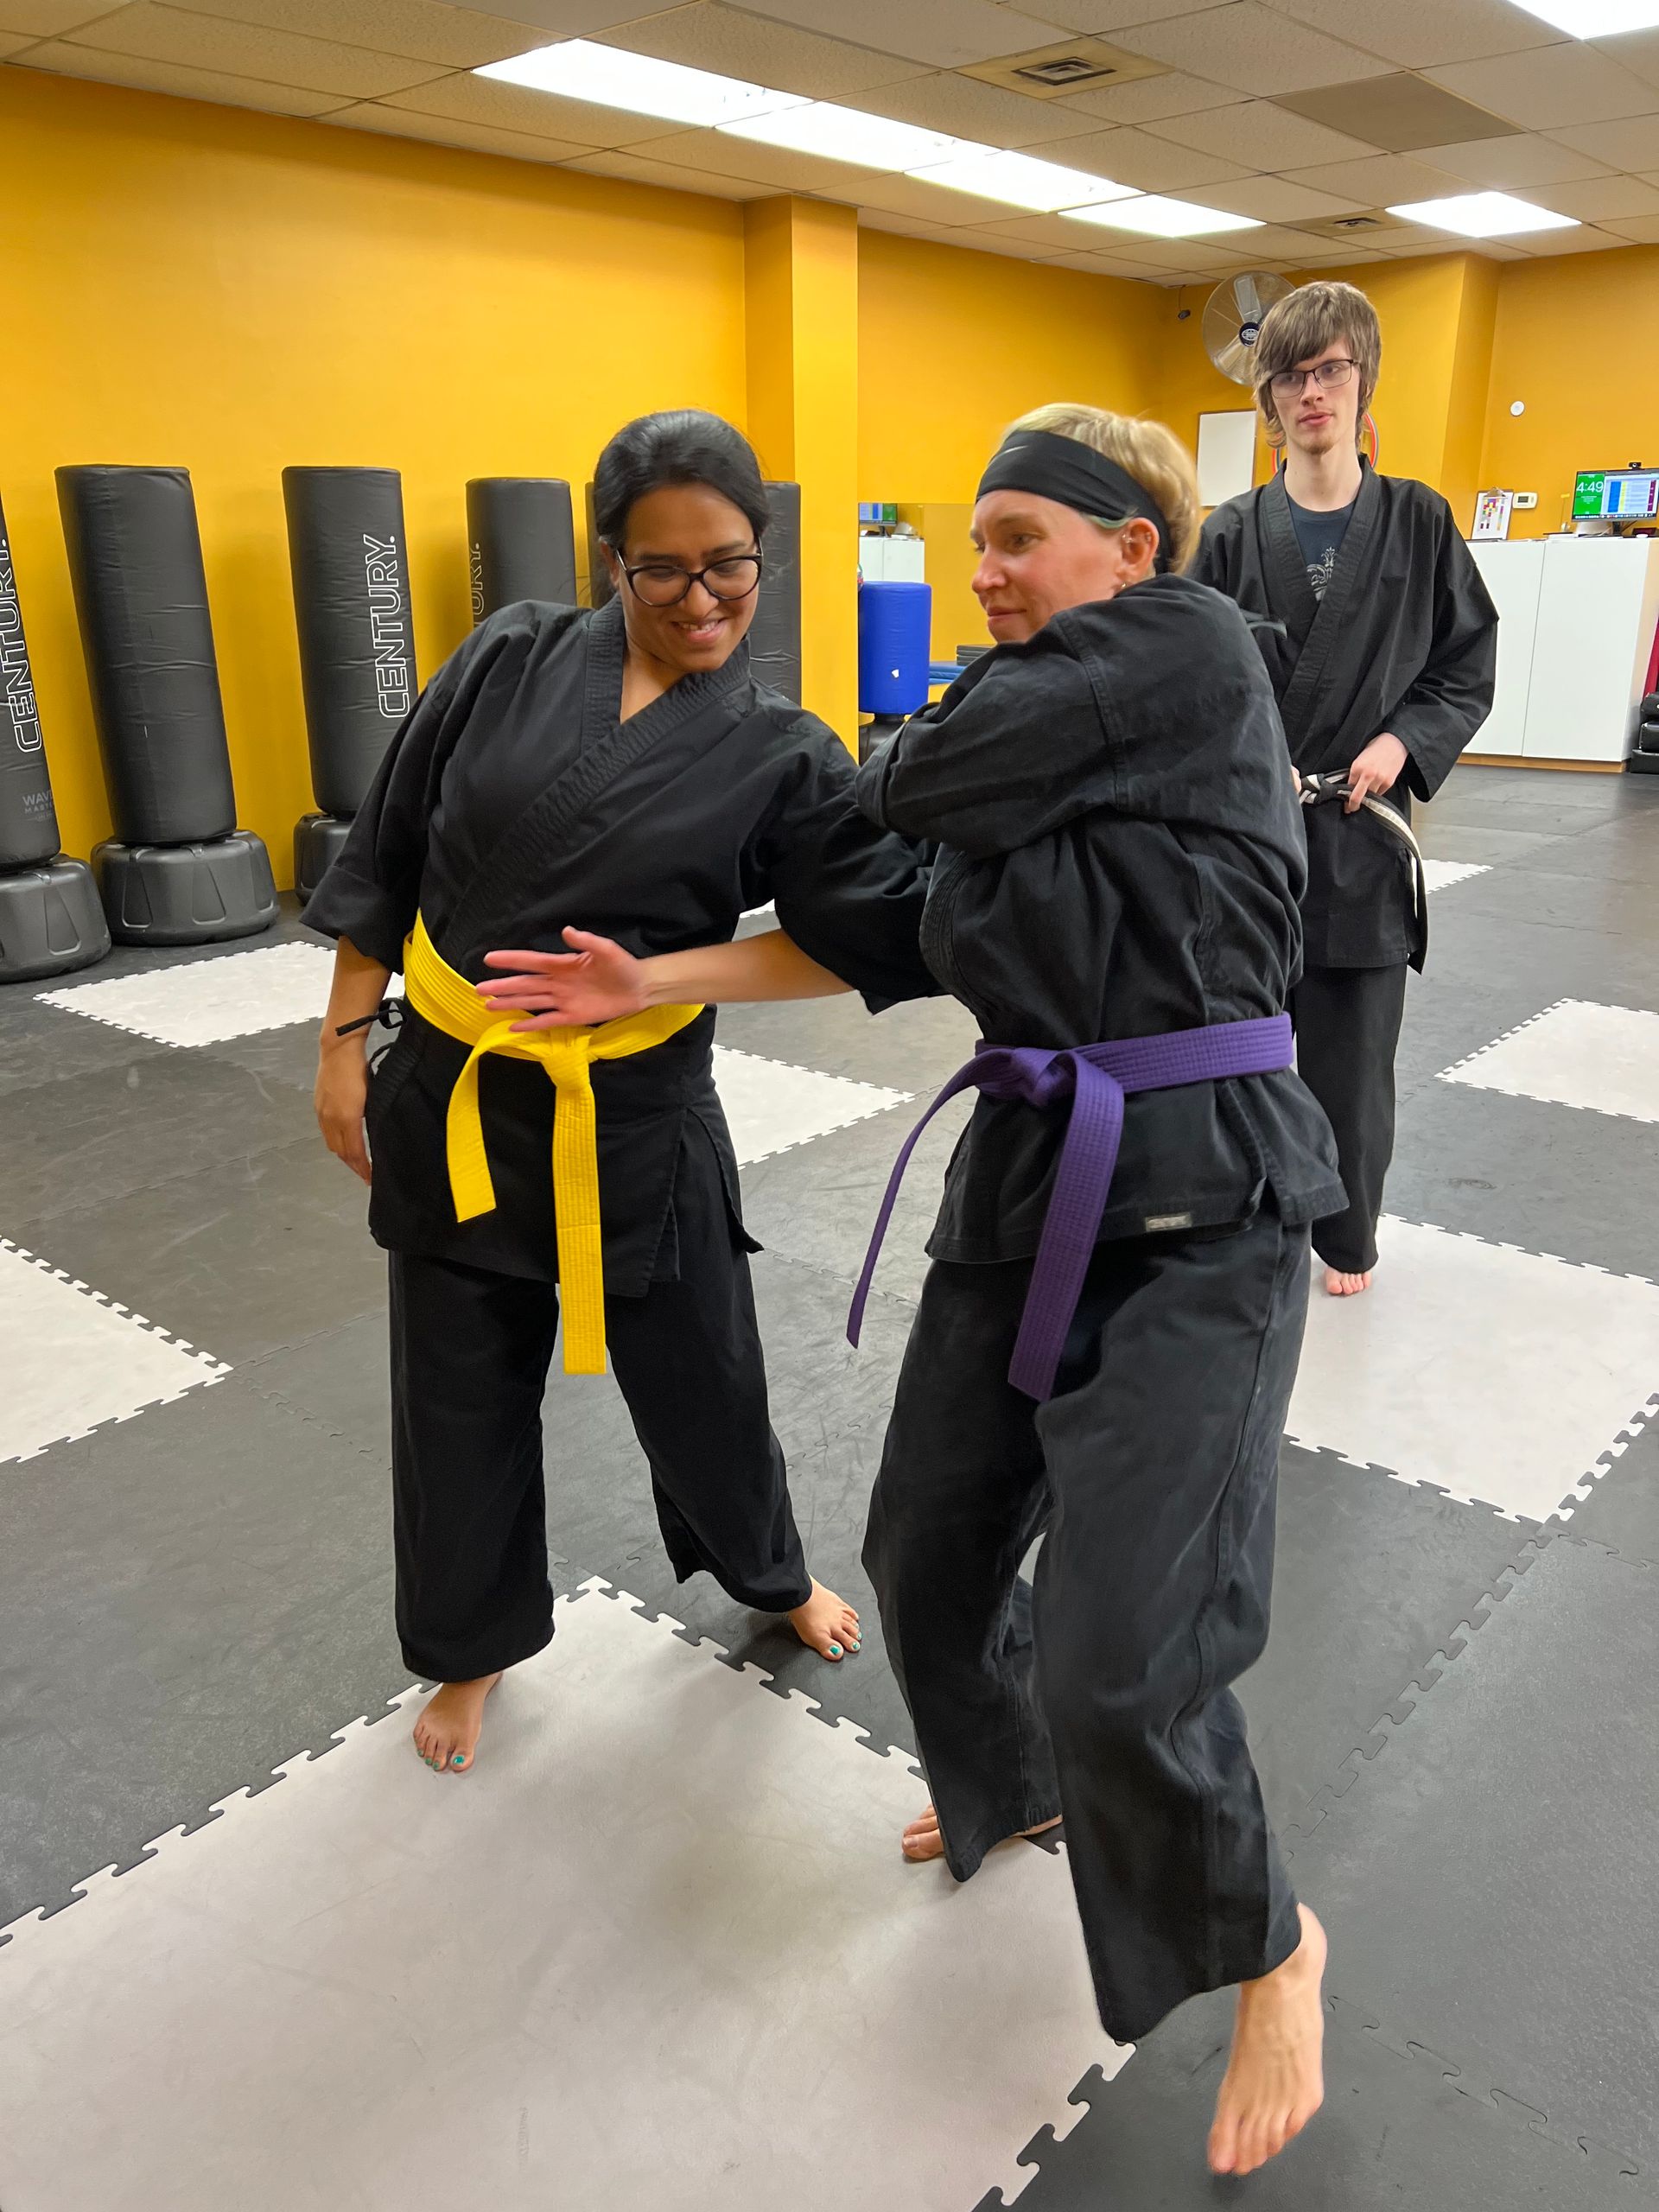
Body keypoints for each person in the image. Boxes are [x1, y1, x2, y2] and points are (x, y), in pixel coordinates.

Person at [479, 404, 1345, 2178]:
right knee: (928, 1553)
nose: (987, 568)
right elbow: (864, 923)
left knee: (1128, 1650)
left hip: (1208, 1192)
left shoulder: (1186, 646)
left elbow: (917, 778)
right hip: (1029, 1189)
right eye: (978, 539)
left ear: (1135, 544)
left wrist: (907, 748)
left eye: (1024, 533)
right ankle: (1012, 1776)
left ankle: (1269, 1937)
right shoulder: (1026, 742)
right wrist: (652, 970)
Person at [308, 410, 932, 1778]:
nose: (704, 600)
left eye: (732, 566)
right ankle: (471, 1649)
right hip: (459, 1089)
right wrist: (346, 1036)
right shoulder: (509, 656)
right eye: (666, 571)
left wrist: (651, 980)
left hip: (636, 1112)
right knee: (456, 1391)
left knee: (705, 1376)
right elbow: (392, 842)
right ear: (611, 562)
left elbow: (857, 941)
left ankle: (767, 1574)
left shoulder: (787, 749)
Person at [1195, 281, 1497, 1298]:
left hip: (1364, 829)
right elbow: (1190, 673)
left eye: (1330, 369)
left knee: (1352, 1063)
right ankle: (1236, 1214)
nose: (1311, 391)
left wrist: (1400, 745)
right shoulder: (1232, 532)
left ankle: (1345, 1236)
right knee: (1231, 1045)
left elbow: (1464, 664)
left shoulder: (1417, 521)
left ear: (1362, 381)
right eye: (1291, 374)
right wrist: (1246, 757)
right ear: (1269, 401)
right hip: (1250, 838)